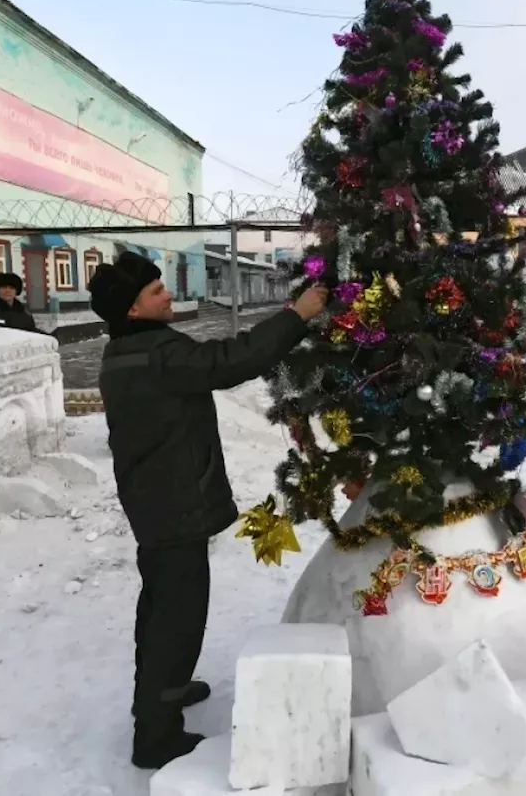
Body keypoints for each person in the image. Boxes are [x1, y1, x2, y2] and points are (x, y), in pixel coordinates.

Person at [88, 250, 329, 770]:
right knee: (178, 614)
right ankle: (156, 734)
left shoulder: (128, 350)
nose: (168, 294)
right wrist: (298, 315)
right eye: (155, 292)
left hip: (153, 498)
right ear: (132, 311)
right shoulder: (157, 355)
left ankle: (156, 694)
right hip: (172, 502)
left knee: (160, 604)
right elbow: (230, 360)